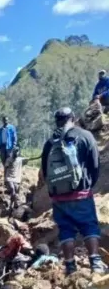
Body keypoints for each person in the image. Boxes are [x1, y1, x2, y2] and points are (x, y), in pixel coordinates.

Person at [41, 107, 104, 275]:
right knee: (89, 225)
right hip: (81, 193)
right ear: (73, 118)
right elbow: (95, 165)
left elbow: (45, 172)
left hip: (59, 198)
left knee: (65, 229)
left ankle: (70, 266)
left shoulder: (50, 143)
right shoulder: (85, 136)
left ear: (57, 122)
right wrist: (88, 183)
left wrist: (55, 190)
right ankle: (95, 263)